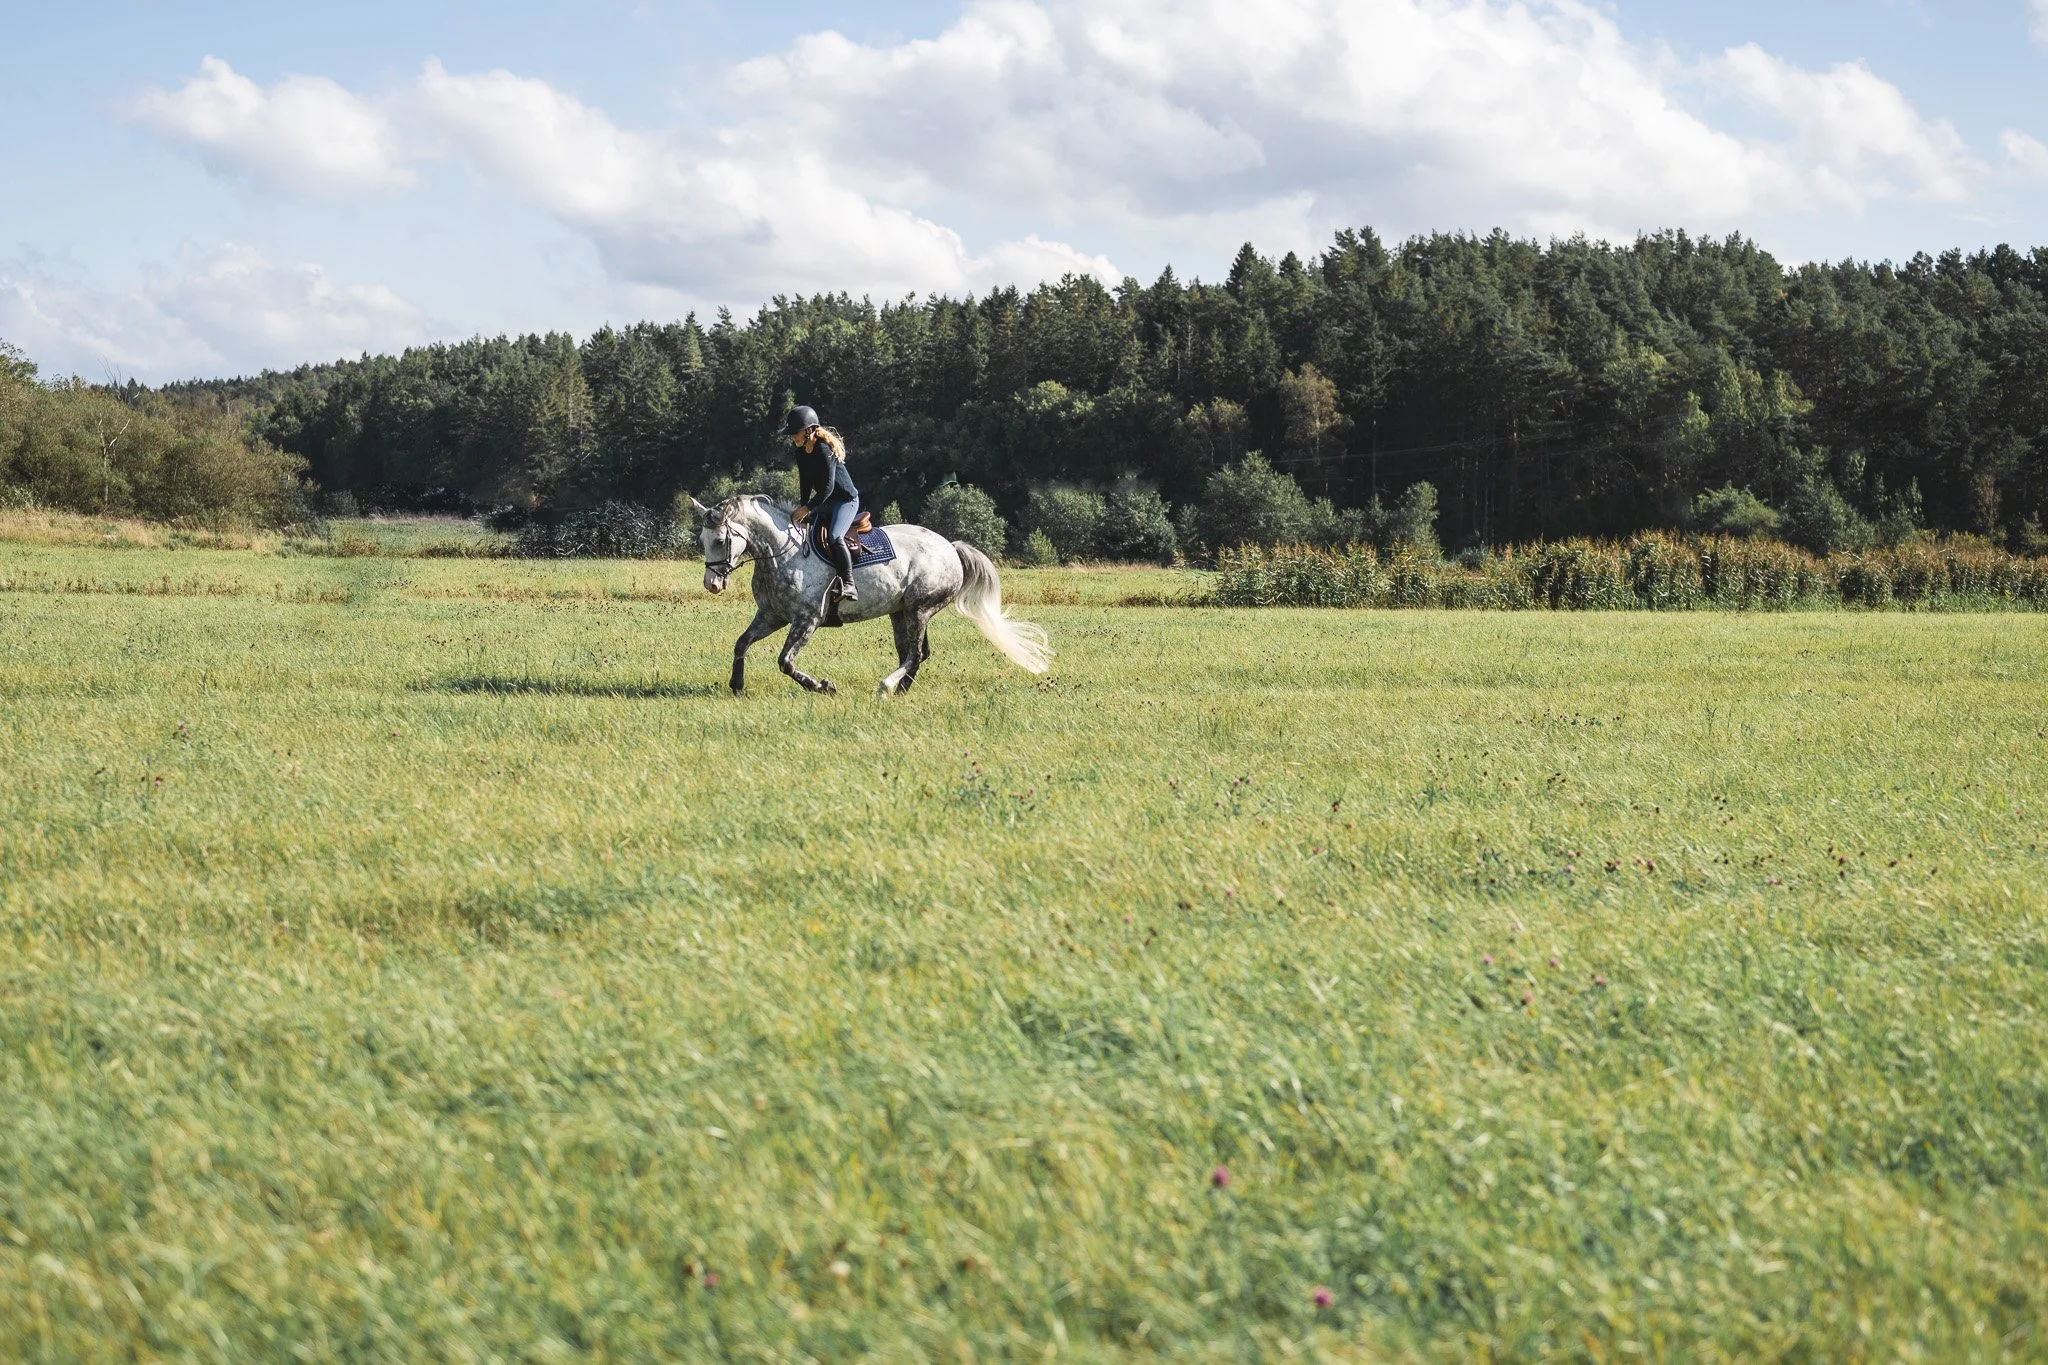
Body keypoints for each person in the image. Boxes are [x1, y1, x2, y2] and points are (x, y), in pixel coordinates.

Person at [780, 405, 861, 617]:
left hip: (845, 501)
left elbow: (828, 487)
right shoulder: (801, 452)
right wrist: (803, 506)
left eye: (795, 433)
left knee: (834, 537)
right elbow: (805, 482)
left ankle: (849, 583)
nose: (792, 437)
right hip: (824, 502)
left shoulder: (824, 449)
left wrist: (808, 508)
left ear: (809, 431)